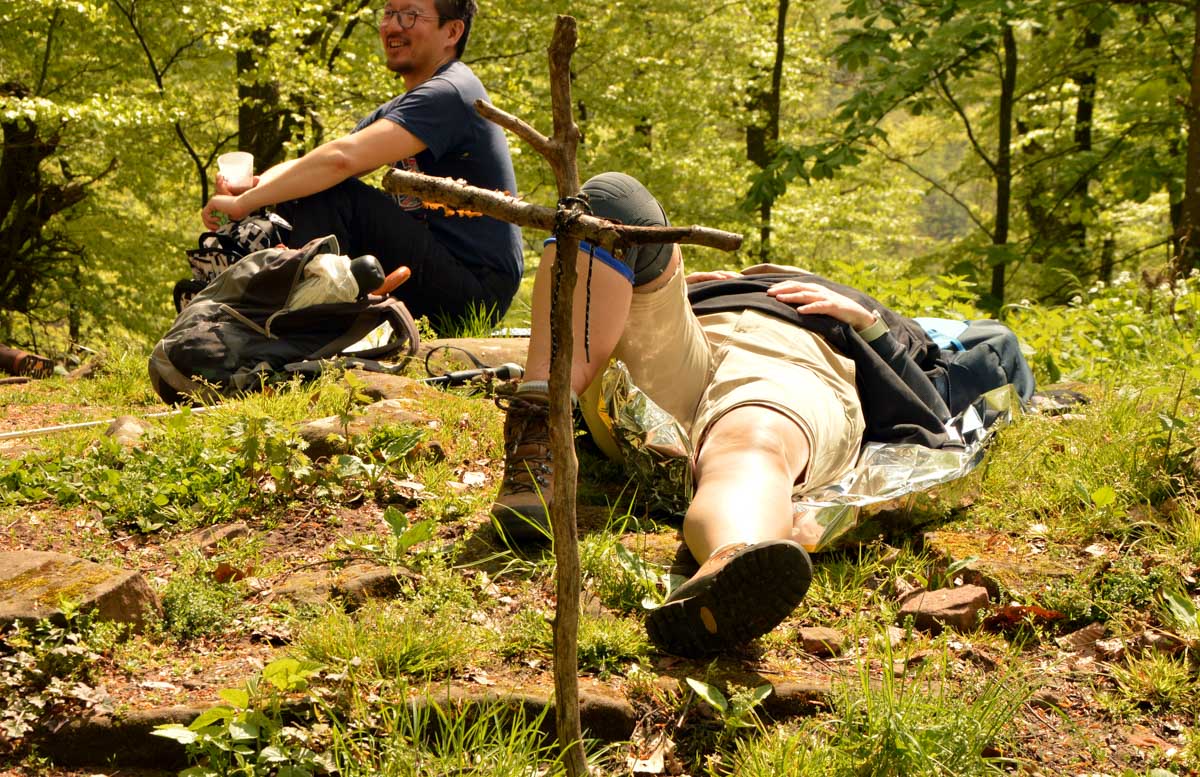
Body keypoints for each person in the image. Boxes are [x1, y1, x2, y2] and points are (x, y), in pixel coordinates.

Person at [489, 172, 1031, 657]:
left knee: (752, 441)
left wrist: (868, 325)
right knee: (613, 199)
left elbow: (938, 401)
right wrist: (663, 281)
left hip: (799, 352)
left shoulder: (871, 319)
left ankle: (732, 567)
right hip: (688, 337)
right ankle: (540, 428)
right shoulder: (712, 282)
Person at [201, 0, 523, 327]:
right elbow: (319, 160)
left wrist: (244, 204)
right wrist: (254, 187)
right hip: (438, 267)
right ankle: (272, 307)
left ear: (452, 32)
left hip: (473, 288)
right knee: (303, 187)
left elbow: (341, 161)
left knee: (330, 193)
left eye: (410, 15)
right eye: (389, 13)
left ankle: (297, 323)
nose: (392, 26)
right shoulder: (407, 105)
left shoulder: (451, 92)